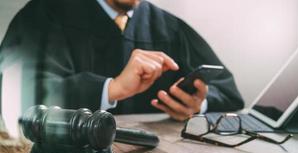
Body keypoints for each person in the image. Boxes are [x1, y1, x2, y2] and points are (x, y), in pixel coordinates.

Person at [0, 0, 244, 121]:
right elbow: (15, 94)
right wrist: (111, 89)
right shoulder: (46, 13)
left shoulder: (170, 29)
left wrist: (196, 105)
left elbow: (228, 91)